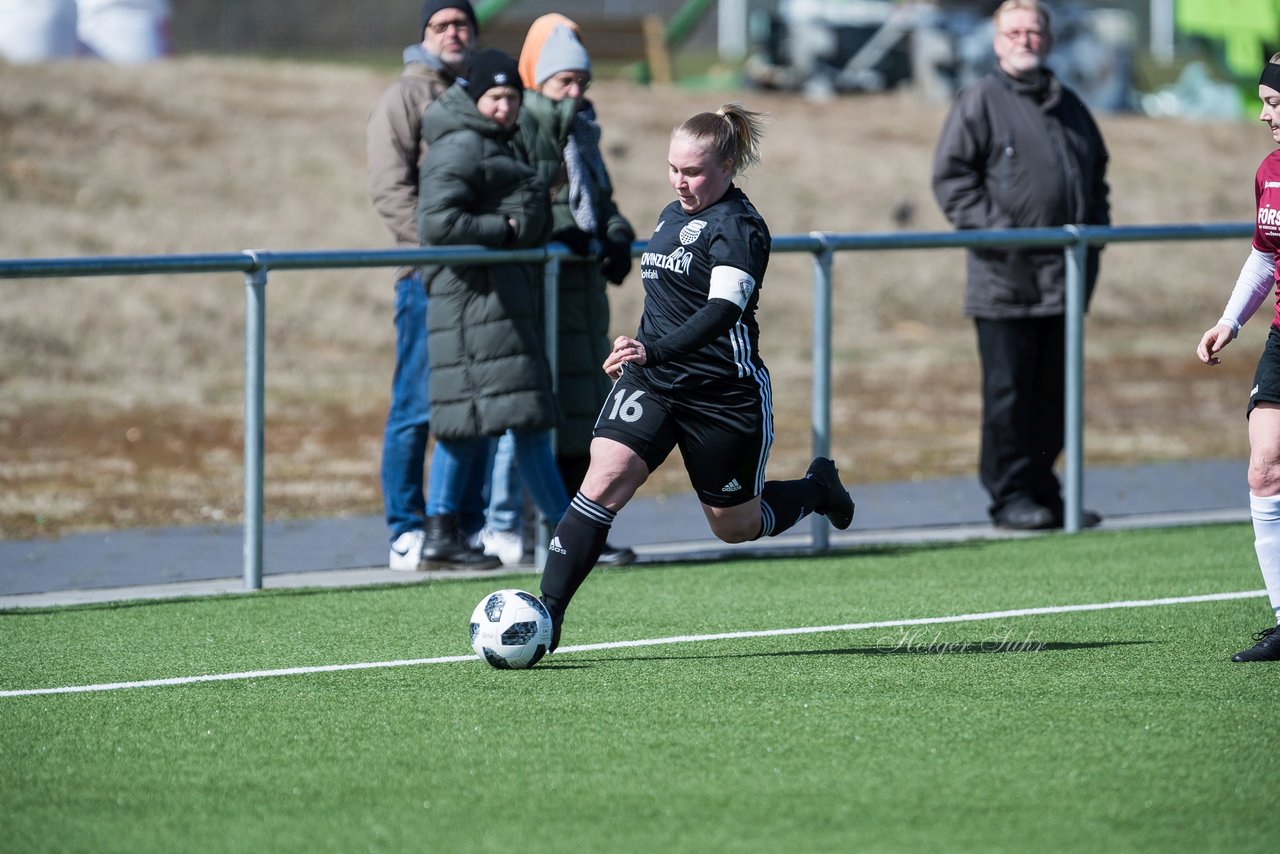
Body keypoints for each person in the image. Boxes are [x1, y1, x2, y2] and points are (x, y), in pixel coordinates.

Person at [537, 103, 856, 651]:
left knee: (733, 525)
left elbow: (721, 312)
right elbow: (664, 303)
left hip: (722, 396)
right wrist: (634, 347)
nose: (680, 182)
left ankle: (816, 488)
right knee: (605, 476)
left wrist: (652, 350)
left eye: (693, 172)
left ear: (727, 166)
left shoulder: (740, 227)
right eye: (672, 169)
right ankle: (547, 615)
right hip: (654, 384)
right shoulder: (670, 214)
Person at [465, 14, 637, 568]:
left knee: (586, 416)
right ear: (538, 78)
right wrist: (562, 231)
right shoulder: (526, 124)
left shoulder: (582, 129)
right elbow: (528, 198)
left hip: (582, 295)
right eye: (565, 81)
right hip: (543, 291)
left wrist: (613, 235)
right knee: (547, 414)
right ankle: (530, 530)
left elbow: (600, 200)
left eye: (582, 82)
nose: (576, 91)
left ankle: (581, 533)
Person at [931, 0, 1109, 531]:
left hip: (1067, 281)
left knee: (1054, 396)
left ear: (1049, 40)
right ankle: (1010, 497)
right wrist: (1006, 237)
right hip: (1004, 282)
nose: (1025, 39)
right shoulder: (980, 100)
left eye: (1034, 30)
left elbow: (1097, 179)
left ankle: (1043, 489)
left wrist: (1095, 237)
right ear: (997, 41)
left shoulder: (1070, 105)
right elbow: (952, 180)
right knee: (1009, 397)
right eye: (1014, 31)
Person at [416, 47, 572, 566]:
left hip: (502, 299)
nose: (505, 106)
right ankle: (440, 534)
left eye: (511, 96)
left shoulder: (497, 141)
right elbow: (436, 225)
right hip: (471, 301)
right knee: (469, 418)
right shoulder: (460, 144)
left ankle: (569, 533)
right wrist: (504, 231)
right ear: (474, 97)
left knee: (524, 417)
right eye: (495, 97)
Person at [366, 0, 497, 571]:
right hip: (426, 277)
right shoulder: (405, 95)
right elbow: (388, 186)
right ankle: (405, 529)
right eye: (441, 25)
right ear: (424, 35)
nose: (454, 33)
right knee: (416, 406)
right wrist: (435, 248)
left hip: (480, 280)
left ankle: (464, 526)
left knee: (473, 407)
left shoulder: (480, 92)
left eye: (462, 23)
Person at [1194, 53, 1280, 663]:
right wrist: (1230, 320)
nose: (1263, 114)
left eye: (1274, 103)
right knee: (1265, 467)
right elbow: (1265, 255)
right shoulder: (1270, 171)